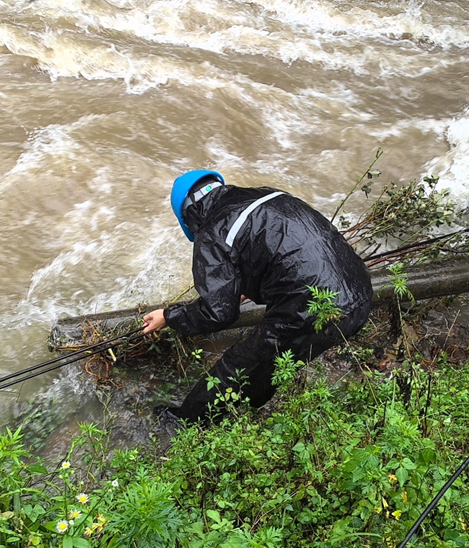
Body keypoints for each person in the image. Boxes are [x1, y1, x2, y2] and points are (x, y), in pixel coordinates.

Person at [142, 170, 373, 423]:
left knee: (236, 365)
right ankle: (248, 412)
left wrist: (168, 316)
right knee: (267, 357)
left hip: (316, 309)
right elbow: (280, 253)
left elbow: (217, 313)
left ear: (188, 218)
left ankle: (183, 423)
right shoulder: (265, 195)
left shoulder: (212, 231)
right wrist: (241, 289)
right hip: (361, 293)